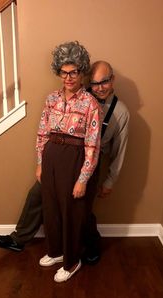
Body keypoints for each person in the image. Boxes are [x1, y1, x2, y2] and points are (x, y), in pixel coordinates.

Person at [0, 60, 129, 264]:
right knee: (38, 195)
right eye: (94, 83)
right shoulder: (79, 98)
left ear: (113, 80)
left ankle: (91, 245)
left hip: (90, 162)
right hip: (64, 159)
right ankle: (19, 239)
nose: (99, 88)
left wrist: (109, 181)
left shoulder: (120, 112)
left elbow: (120, 151)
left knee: (80, 209)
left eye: (104, 82)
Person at [37, 41, 101, 282]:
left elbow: (92, 145)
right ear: (58, 72)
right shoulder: (51, 99)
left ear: (81, 71)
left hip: (75, 159)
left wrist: (83, 178)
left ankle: (72, 261)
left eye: (73, 71)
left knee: (72, 212)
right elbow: (42, 132)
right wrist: (40, 163)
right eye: (64, 72)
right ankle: (55, 251)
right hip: (51, 156)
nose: (68, 77)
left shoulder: (90, 103)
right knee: (51, 207)